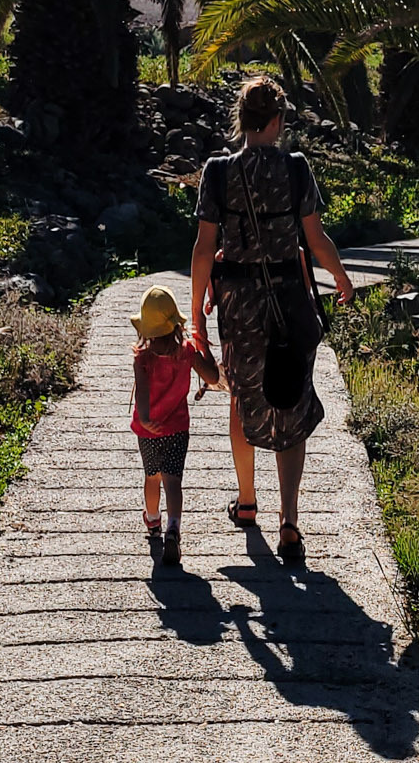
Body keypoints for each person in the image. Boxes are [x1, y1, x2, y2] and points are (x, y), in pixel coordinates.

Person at [189, 74, 356, 565]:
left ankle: (246, 503)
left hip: (238, 303)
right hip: (289, 300)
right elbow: (317, 239)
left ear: (242, 120)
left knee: (243, 395)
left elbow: (203, 248)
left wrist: (198, 310)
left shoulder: (217, 172)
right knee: (291, 400)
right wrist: (341, 279)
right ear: (279, 120)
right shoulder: (297, 169)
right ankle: (289, 522)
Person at [129, 283, 218, 567]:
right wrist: (203, 346)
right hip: (178, 428)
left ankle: (153, 520)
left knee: (152, 477)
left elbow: (142, 393)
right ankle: (173, 528)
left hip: (149, 431)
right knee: (173, 480)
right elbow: (214, 378)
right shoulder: (187, 352)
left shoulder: (142, 358)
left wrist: (145, 418)